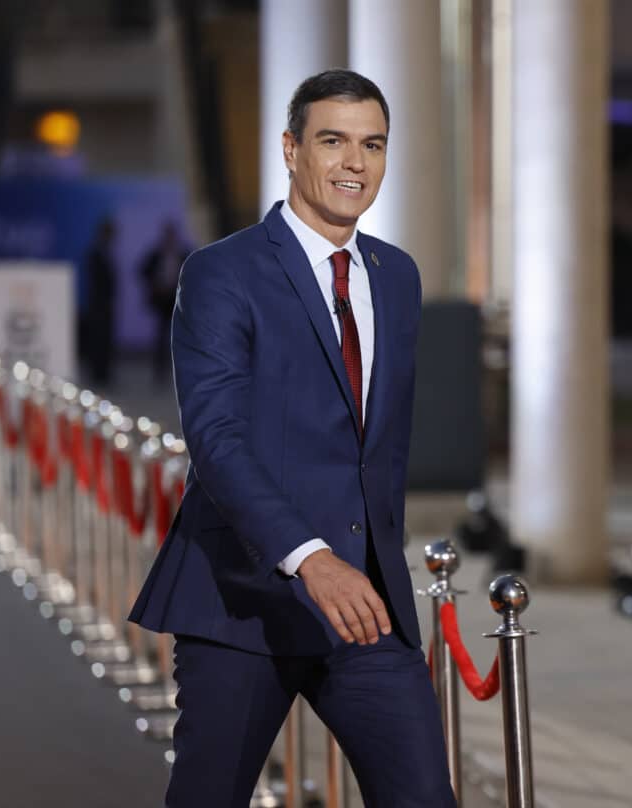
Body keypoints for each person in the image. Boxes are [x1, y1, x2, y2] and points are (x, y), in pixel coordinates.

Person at [128, 69, 453, 807]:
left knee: (424, 797)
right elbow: (217, 441)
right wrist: (310, 559)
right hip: (243, 599)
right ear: (291, 149)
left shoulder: (396, 277)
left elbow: (377, 446)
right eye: (333, 140)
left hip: (367, 608)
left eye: (373, 144)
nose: (354, 163)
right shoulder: (222, 272)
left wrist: (363, 563)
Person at [138, 220, 190, 383]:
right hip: (161, 302)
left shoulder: (183, 254)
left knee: (179, 338)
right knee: (160, 337)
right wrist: (154, 284)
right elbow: (142, 270)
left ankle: (179, 373)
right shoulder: (156, 253)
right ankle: (159, 372)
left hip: (177, 300)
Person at [79, 217, 117, 386]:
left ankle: (105, 374)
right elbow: (96, 280)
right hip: (98, 304)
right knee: (98, 339)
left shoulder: (108, 253)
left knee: (106, 339)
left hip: (107, 304)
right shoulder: (95, 253)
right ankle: (97, 374)